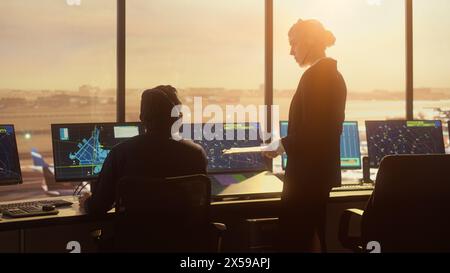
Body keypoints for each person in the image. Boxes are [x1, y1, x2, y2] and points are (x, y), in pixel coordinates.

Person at [263, 19, 347, 252]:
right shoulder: (332, 75)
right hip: (318, 176)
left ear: (309, 41)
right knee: (312, 237)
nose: (291, 51)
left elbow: (315, 131)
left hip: (307, 177)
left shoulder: (316, 76)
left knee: (294, 240)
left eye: (294, 43)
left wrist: (281, 145)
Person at [79, 85, 207, 214]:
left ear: (142, 118)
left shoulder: (120, 153)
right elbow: (199, 199)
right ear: (177, 118)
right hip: (184, 233)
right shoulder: (196, 153)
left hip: (136, 233)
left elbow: (98, 207)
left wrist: (86, 202)